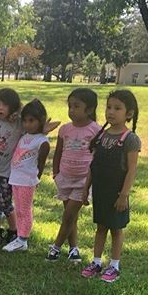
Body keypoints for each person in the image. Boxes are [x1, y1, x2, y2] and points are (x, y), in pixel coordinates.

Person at [81, 90, 141, 283]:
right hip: (100, 190)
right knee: (101, 227)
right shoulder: (101, 136)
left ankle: (114, 265)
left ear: (129, 114)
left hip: (117, 192)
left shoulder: (130, 139)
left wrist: (123, 195)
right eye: (108, 107)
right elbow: (94, 165)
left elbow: (131, 170)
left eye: (117, 108)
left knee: (116, 229)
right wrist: (86, 188)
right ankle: (96, 261)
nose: (111, 112)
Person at [47, 88, 102, 262]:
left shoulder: (96, 130)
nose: (71, 110)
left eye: (76, 106)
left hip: (83, 181)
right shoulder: (65, 130)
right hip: (65, 177)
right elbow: (58, 152)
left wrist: (92, 181)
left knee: (69, 215)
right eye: (70, 106)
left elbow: (98, 157)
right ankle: (73, 249)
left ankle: (55, 247)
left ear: (90, 109)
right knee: (71, 217)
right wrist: (56, 173)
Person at [3, 99, 52, 253]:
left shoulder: (42, 141)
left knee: (25, 209)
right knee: (18, 209)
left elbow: (41, 164)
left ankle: (23, 239)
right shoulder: (25, 135)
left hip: (27, 180)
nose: (27, 124)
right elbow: (15, 118)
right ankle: (19, 235)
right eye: (25, 121)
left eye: (32, 121)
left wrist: (36, 178)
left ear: (41, 121)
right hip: (16, 178)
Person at [0, 88, 22, 244]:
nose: (0, 108)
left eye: (5, 105)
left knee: (6, 202)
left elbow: (31, 118)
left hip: (7, 172)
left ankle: (14, 231)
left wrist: (18, 114)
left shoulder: (17, 123)